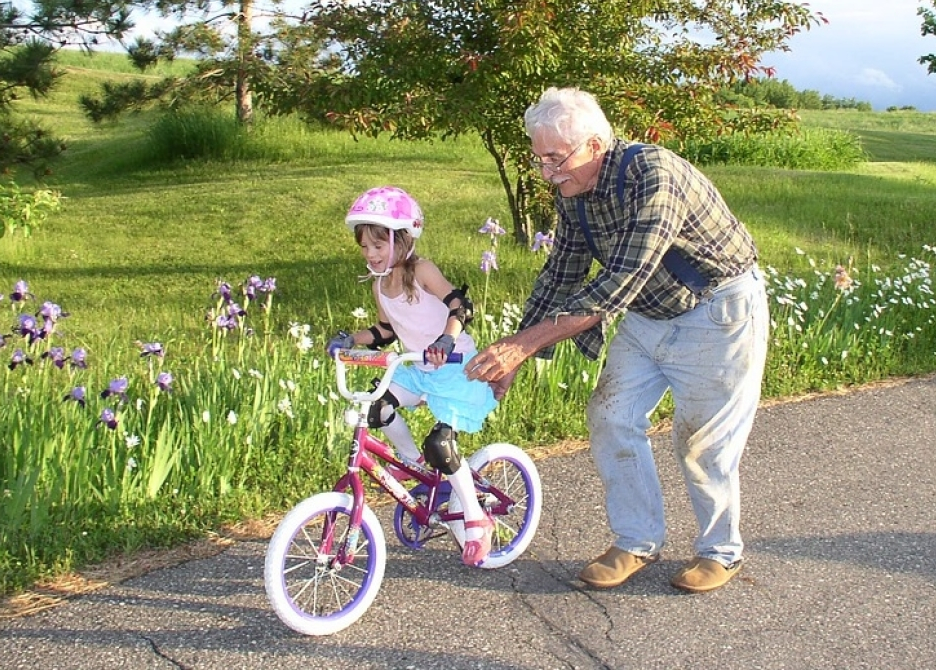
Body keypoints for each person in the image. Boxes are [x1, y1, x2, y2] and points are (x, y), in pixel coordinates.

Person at [464, 87, 769, 593]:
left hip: (717, 312)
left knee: (702, 444)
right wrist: (516, 352)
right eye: (539, 159)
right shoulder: (574, 194)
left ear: (595, 145)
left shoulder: (654, 175)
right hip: (650, 314)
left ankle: (720, 551)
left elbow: (620, 281)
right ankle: (636, 541)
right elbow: (561, 273)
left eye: (555, 158)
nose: (546, 172)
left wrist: (525, 345)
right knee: (611, 415)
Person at [327, 185, 500, 567]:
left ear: (402, 239)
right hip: (418, 369)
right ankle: (415, 465)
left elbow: (460, 305)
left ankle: (475, 519)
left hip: (455, 369)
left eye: (379, 245)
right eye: (365, 248)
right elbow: (385, 332)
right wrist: (350, 338)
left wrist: (445, 339)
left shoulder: (421, 270)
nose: (371, 254)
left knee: (442, 444)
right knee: (377, 409)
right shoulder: (380, 285)